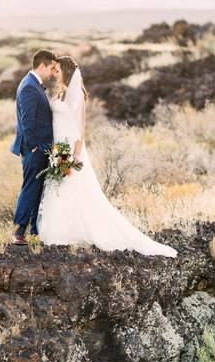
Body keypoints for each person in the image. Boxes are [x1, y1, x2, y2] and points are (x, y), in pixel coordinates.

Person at [35, 56, 177, 257]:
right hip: (56, 148)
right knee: (57, 189)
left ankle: (71, 232)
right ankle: (59, 230)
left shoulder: (78, 97)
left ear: (66, 72)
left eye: (57, 70)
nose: (54, 73)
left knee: (73, 189)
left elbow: (80, 132)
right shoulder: (58, 94)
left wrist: (72, 158)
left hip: (68, 151)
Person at [9, 49, 57, 244]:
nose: (53, 72)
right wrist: (35, 147)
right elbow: (27, 121)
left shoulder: (32, 84)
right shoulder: (29, 86)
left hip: (39, 147)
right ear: (42, 65)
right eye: (52, 68)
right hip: (34, 148)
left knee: (36, 188)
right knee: (30, 187)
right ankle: (19, 231)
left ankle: (34, 230)